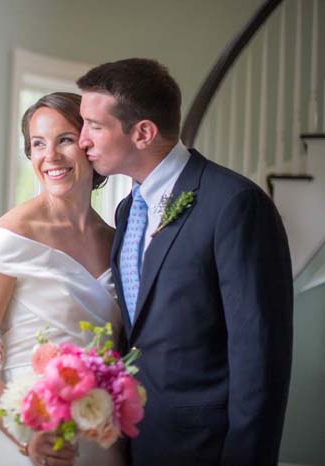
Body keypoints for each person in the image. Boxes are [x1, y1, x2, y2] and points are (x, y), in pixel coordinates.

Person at [76, 58, 293, 466]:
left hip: (206, 447)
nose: (82, 139)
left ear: (143, 132)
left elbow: (260, 356)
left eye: (95, 126)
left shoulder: (235, 204)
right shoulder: (127, 210)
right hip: (135, 439)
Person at [0, 92, 126, 466]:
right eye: (38, 144)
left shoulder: (116, 240)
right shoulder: (9, 237)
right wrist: (28, 435)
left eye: (65, 140)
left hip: (100, 432)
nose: (51, 156)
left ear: (89, 144)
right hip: (30, 431)